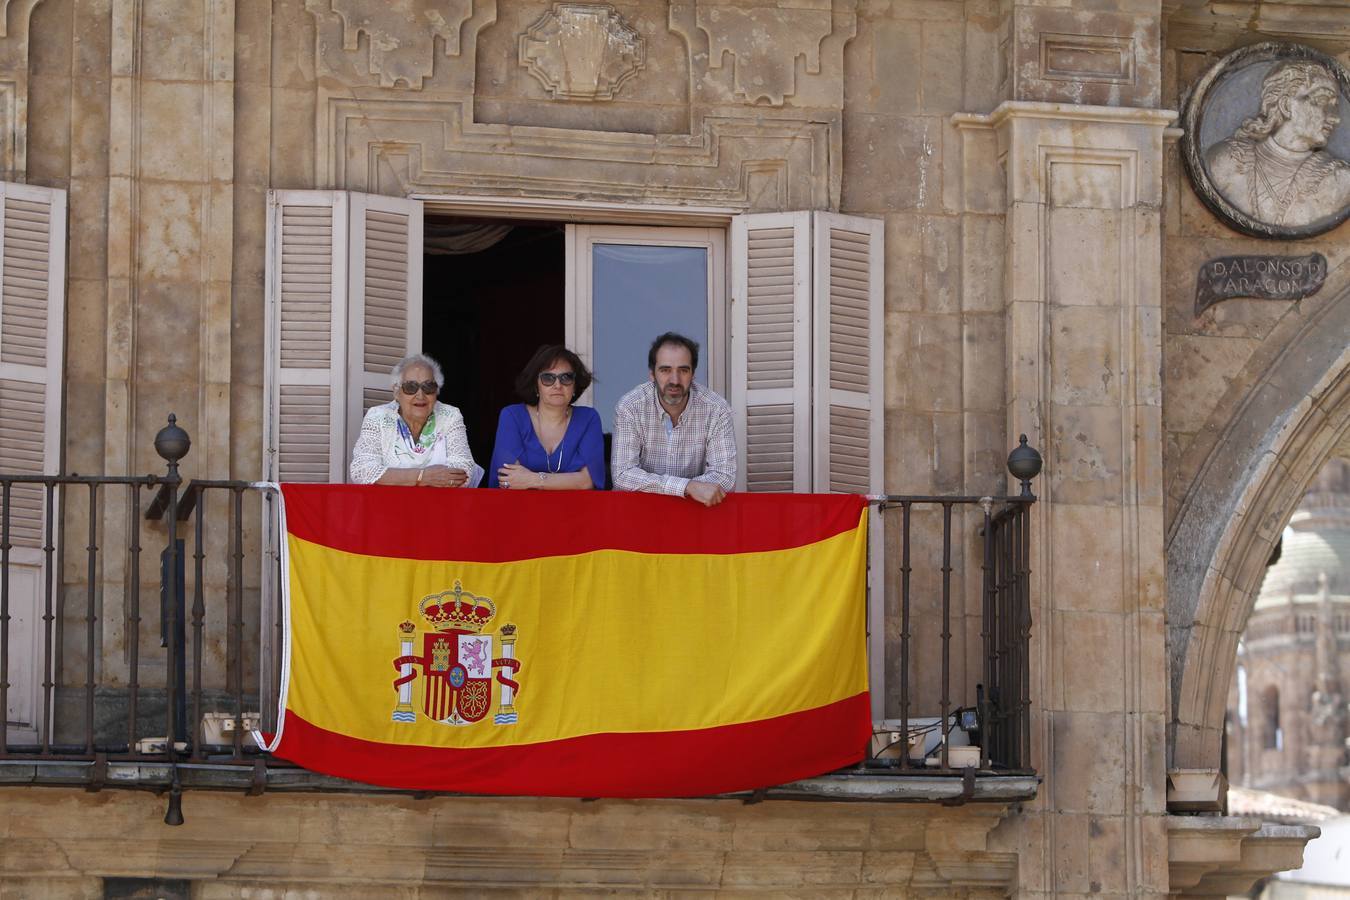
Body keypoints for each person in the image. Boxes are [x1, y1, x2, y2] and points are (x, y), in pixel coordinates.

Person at [1205, 59, 1350, 227]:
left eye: (1335, 106)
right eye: (1322, 101)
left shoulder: (1340, 179)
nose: (1335, 117)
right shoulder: (1225, 160)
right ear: (1286, 105)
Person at [611, 332, 736, 507]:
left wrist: (678, 489)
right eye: (665, 370)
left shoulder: (716, 409)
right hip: (640, 512)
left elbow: (725, 476)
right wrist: (688, 487)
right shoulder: (631, 406)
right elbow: (623, 476)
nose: (675, 380)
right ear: (652, 375)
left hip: (695, 514)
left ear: (693, 375)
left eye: (683, 370)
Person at [349, 353, 476, 486]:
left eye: (428, 387)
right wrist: (423, 477)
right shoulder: (377, 417)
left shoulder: (450, 416)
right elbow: (361, 470)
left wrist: (394, 478)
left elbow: (464, 470)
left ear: (436, 391)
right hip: (389, 504)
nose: (420, 395)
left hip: (439, 504)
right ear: (397, 392)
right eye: (410, 387)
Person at [488, 345, 605, 490]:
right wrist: (568, 481)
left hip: (575, 510)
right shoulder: (513, 416)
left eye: (566, 378)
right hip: (521, 509)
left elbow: (587, 481)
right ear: (536, 386)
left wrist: (534, 479)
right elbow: (509, 480)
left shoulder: (588, 419)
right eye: (548, 378)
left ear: (574, 386)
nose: (557, 385)